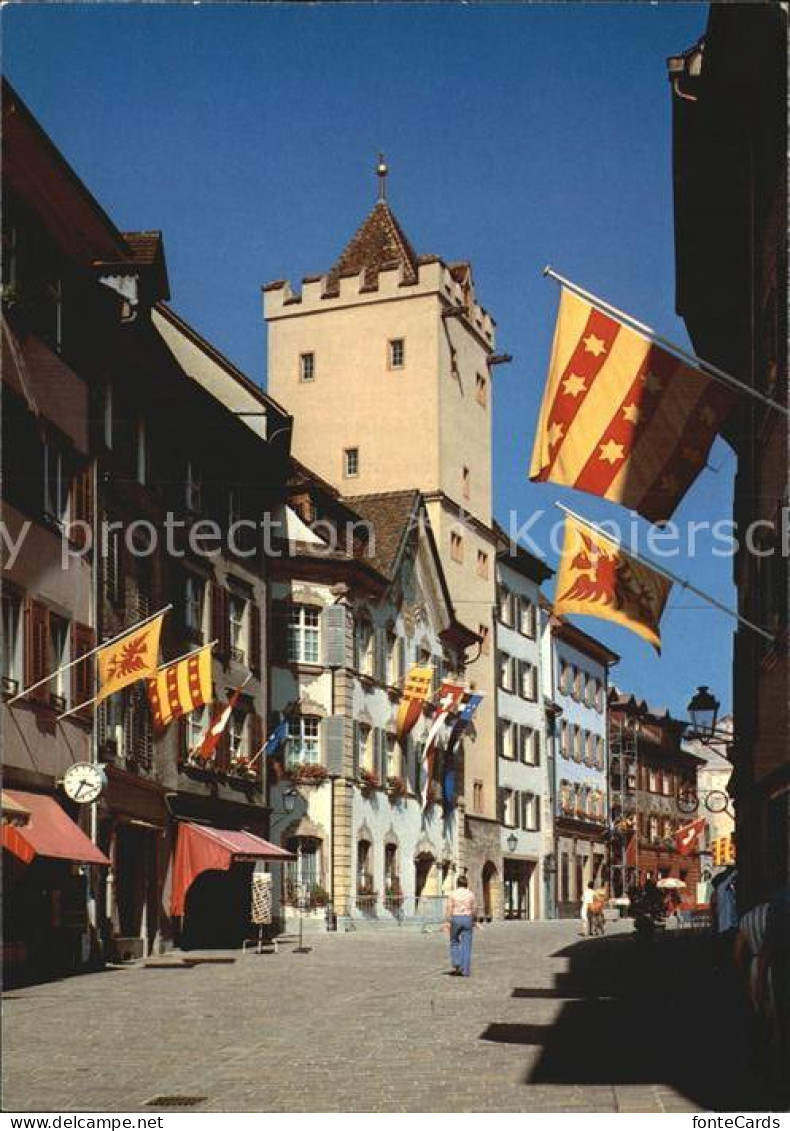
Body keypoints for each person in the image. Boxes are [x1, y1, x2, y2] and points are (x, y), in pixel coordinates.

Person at [445, 874, 477, 976]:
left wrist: (447, 920)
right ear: (466, 884)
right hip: (467, 918)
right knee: (467, 944)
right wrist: (474, 920)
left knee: (454, 941)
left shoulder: (453, 894)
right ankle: (465, 969)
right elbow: (474, 908)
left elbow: (449, 908)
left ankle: (457, 962)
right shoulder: (471, 894)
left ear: (457, 884)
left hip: (456, 917)